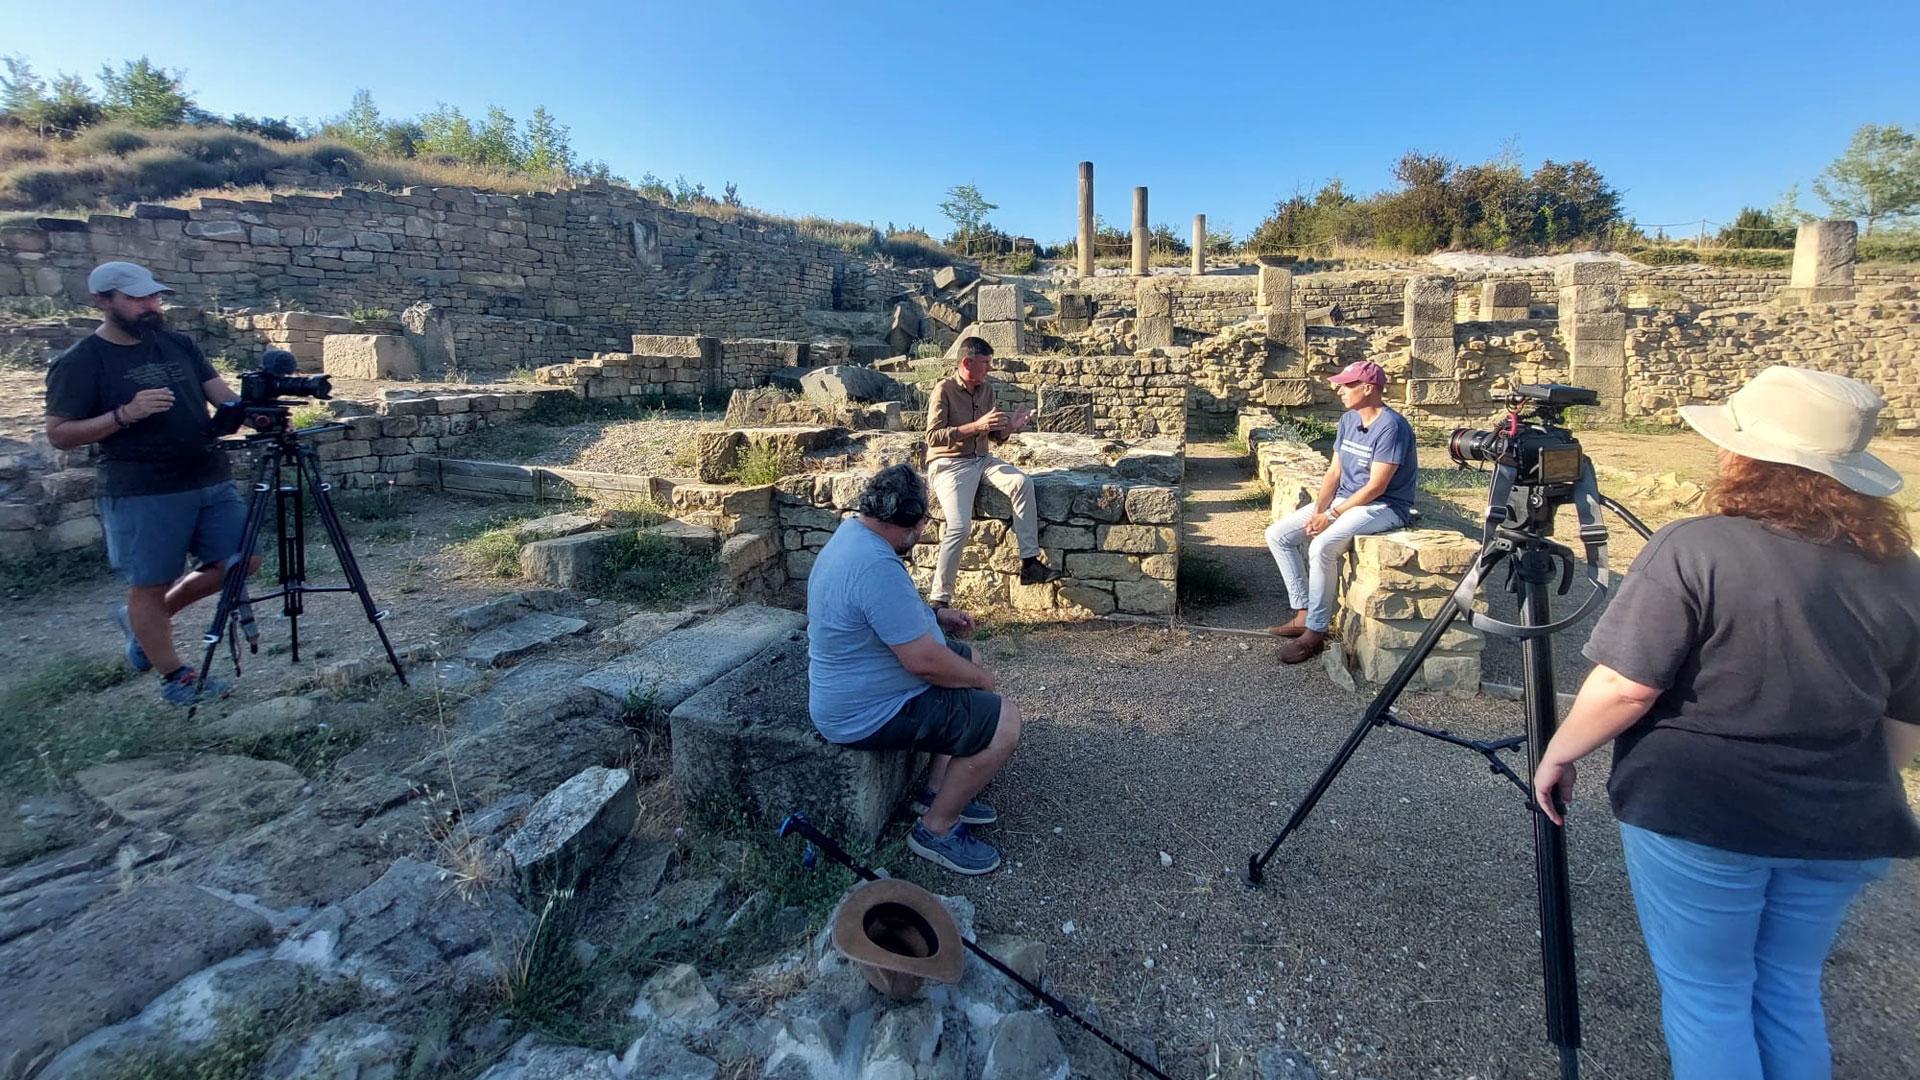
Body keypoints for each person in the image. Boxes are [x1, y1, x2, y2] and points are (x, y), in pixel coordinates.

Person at [1531, 366, 1919, 1080]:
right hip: (1844, 818)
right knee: (1790, 988)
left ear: (1748, 458)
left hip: (1707, 812)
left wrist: (1558, 752)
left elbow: (1624, 687)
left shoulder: (1697, 546)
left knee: (1709, 995)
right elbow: (1904, 728)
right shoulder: (1901, 567)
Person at [43, 261, 258, 705]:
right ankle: (175, 676)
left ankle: (140, 624)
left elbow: (221, 394)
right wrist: (124, 414)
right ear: (102, 301)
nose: (151, 305)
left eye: (154, 297)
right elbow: (60, 434)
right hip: (143, 487)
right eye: (137, 298)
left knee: (242, 560)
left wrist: (254, 409)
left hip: (207, 475)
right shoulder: (81, 362)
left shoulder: (176, 343)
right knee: (151, 583)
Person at [806, 464, 1023, 875]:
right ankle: (935, 829)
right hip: (865, 710)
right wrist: (982, 684)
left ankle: (937, 790)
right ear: (906, 524)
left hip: (858, 682)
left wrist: (936, 618)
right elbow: (923, 663)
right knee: (1004, 721)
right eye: (923, 522)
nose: (923, 531)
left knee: (968, 660)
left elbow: (886, 613)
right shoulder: (876, 567)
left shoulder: (854, 536)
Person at [1263, 360, 1418, 663]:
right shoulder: (1349, 420)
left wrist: (1331, 517)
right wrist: (1319, 510)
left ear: (1368, 388)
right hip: (1347, 500)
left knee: (1321, 547)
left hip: (1385, 506)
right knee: (1278, 535)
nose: (1339, 390)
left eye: (1347, 385)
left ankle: (1316, 632)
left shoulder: (1392, 426)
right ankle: (1303, 610)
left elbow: (1376, 486)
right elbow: (1334, 473)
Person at [924, 336, 1060, 608]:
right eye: (985, 363)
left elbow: (996, 436)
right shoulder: (944, 390)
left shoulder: (986, 390)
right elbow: (933, 437)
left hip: (982, 459)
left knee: (1021, 482)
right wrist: (976, 426)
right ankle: (939, 599)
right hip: (950, 463)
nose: (989, 368)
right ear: (967, 362)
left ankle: (1030, 563)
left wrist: (1011, 427)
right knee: (959, 527)